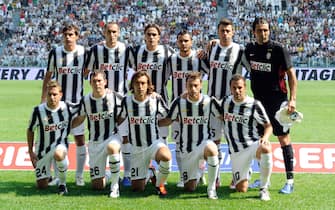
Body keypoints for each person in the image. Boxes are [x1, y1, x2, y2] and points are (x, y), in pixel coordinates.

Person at [244, 17, 298, 194]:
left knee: (283, 138)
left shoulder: (278, 49)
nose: (263, 33)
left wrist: (292, 99)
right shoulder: (249, 49)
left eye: (266, 30)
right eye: (259, 30)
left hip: (277, 102)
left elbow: (291, 75)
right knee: (261, 140)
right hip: (258, 103)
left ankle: (290, 180)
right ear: (254, 32)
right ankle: (262, 177)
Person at [85, 22, 133, 187]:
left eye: (114, 32)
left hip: (121, 102)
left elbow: (138, 68)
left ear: (119, 33)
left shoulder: (126, 49)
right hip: (101, 102)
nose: (111, 35)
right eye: (109, 32)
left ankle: (127, 175)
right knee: (103, 135)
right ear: (104, 32)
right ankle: (105, 172)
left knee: (125, 138)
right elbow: (86, 71)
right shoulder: (96, 50)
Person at [159, 72, 220, 200]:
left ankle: (211, 189)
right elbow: (169, 120)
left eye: (196, 85)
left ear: (201, 86)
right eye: (190, 85)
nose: (193, 89)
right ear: (186, 86)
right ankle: (199, 170)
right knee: (189, 188)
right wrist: (153, 123)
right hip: (187, 149)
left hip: (204, 143)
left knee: (213, 149)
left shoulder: (209, 101)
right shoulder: (179, 102)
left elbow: (223, 116)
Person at [41, 23, 87, 186]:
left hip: (77, 104)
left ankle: (79, 176)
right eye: (65, 34)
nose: (68, 37)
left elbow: (88, 71)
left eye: (71, 34)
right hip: (58, 106)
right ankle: (58, 177)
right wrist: (43, 99)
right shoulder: (56, 52)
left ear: (77, 36)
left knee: (80, 139)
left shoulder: (83, 52)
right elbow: (48, 77)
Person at [204, 18, 248, 187]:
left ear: (233, 32)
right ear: (218, 31)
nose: (225, 34)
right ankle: (215, 177)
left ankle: (237, 176)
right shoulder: (212, 48)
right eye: (222, 30)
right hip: (213, 103)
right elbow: (201, 66)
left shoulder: (239, 50)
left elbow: (251, 71)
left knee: (234, 141)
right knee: (214, 141)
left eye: (228, 30)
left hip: (232, 104)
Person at [217, 74, 273, 201]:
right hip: (236, 152)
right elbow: (213, 108)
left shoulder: (254, 104)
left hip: (252, 145)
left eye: (240, 88)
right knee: (241, 189)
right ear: (230, 88)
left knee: (266, 148)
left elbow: (268, 126)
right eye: (234, 88)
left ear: (245, 88)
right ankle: (246, 172)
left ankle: (264, 189)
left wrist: (265, 137)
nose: (237, 91)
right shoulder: (225, 102)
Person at [117, 70, 172, 197]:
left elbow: (169, 117)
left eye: (143, 83)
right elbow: (119, 119)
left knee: (166, 156)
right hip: (136, 148)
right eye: (137, 83)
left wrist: (157, 124)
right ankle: (150, 173)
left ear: (148, 85)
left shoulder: (156, 99)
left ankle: (160, 184)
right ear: (132, 85)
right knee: (137, 189)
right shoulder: (127, 101)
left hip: (154, 144)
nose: (140, 86)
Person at [166, 30, 209, 188]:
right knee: (179, 143)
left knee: (199, 142)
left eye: (186, 41)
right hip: (178, 109)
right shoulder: (172, 59)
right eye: (180, 41)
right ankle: (183, 175)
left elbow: (212, 71)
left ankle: (200, 172)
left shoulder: (198, 59)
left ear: (191, 42)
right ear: (177, 43)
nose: (183, 44)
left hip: (198, 110)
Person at [72, 71, 123, 198]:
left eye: (100, 80)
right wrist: (66, 127)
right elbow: (80, 119)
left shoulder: (114, 96)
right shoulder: (86, 100)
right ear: (90, 83)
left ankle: (115, 187)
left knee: (113, 147)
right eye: (94, 81)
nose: (97, 83)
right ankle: (111, 175)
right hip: (95, 143)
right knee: (97, 186)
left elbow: (130, 104)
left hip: (112, 136)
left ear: (105, 82)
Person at [27, 81, 77, 195]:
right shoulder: (38, 111)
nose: (52, 97)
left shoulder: (67, 107)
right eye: (49, 94)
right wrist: (30, 151)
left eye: (54, 94)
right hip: (43, 149)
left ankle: (62, 184)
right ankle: (52, 178)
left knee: (59, 154)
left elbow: (83, 111)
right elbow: (30, 130)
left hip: (60, 145)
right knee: (41, 185)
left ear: (61, 95)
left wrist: (69, 127)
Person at [129, 23, 174, 141]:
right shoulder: (137, 51)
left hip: (161, 98)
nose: (151, 37)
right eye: (148, 34)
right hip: (140, 100)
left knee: (162, 137)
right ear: (144, 36)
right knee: (140, 138)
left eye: (154, 34)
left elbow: (183, 58)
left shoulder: (167, 51)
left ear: (159, 37)